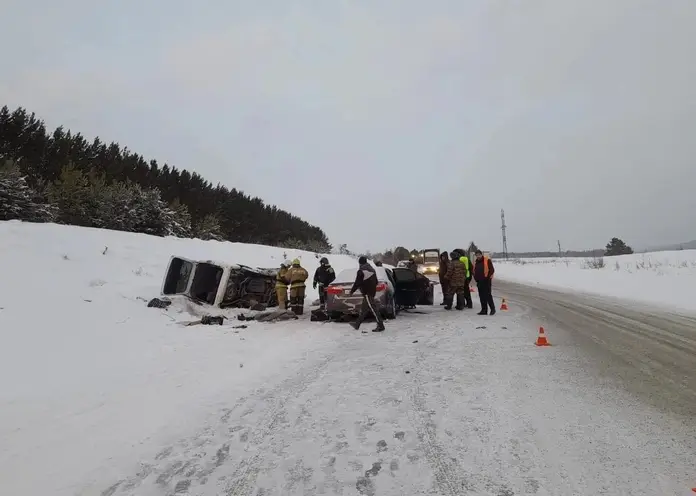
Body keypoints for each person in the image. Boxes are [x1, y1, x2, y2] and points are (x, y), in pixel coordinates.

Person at [349, 256, 386, 332]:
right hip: (371, 291)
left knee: (373, 309)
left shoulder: (361, 270)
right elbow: (376, 281)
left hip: (367, 293)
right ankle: (357, 324)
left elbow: (357, 283)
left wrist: (352, 291)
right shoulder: (372, 269)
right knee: (364, 310)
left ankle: (380, 325)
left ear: (360, 262)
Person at [473, 250, 496, 315]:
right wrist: (476, 279)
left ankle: (492, 309)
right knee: (482, 296)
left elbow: (492, 270)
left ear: (481, 254)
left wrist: (488, 278)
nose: (478, 256)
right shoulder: (476, 262)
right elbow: (474, 271)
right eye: (477, 255)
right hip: (479, 282)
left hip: (486, 281)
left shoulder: (487, 260)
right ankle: (484, 310)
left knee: (488, 296)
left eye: (479, 255)